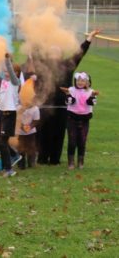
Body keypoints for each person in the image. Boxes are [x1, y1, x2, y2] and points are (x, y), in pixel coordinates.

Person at [32, 30, 98, 165]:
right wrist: (35, 32)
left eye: (56, 50)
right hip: (45, 104)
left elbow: (80, 54)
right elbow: (35, 52)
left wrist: (89, 39)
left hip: (62, 105)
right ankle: (42, 158)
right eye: (51, 50)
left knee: (59, 133)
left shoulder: (67, 65)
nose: (54, 52)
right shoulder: (42, 65)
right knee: (43, 133)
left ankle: (55, 159)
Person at [0, 54, 20, 177]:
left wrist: (7, 61)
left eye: (9, 71)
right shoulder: (3, 82)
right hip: (2, 113)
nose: (6, 73)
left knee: (2, 142)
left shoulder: (15, 82)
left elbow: (11, 72)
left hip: (10, 114)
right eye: (4, 71)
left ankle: (8, 169)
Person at [62, 72, 98, 169]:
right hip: (72, 118)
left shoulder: (91, 91)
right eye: (78, 80)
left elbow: (91, 103)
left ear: (88, 82)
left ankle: (81, 161)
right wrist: (68, 95)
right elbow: (69, 102)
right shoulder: (71, 90)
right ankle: (71, 162)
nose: (80, 82)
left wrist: (92, 96)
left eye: (82, 81)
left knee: (82, 140)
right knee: (72, 140)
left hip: (85, 119)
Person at [16, 88, 41, 170]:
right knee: (20, 147)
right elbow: (17, 119)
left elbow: (36, 120)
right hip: (20, 132)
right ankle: (21, 164)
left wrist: (30, 126)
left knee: (31, 147)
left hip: (31, 132)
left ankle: (31, 162)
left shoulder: (35, 108)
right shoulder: (18, 107)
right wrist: (22, 126)